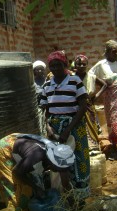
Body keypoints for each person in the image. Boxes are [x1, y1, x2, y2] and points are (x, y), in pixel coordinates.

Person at [40, 50, 90, 201]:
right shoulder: (47, 85)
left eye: (58, 65)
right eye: (52, 66)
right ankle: (65, 196)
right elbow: (44, 111)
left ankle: (79, 199)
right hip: (54, 129)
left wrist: (68, 130)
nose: (55, 68)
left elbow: (82, 107)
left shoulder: (75, 81)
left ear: (65, 65)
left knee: (78, 159)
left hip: (74, 126)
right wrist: (48, 129)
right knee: (59, 163)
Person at [0, 133, 75, 210]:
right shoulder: (35, 158)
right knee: (15, 188)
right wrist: (35, 187)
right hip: (5, 148)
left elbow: (65, 182)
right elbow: (16, 172)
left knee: (29, 182)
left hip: (20, 143)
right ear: (51, 163)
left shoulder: (58, 154)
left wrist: (72, 202)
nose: (58, 171)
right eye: (57, 169)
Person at [73, 54, 107, 151]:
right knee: (78, 125)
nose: (81, 66)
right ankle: (81, 148)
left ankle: (93, 148)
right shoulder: (71, 77)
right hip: (76, 106)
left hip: (88, 105)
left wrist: (97, 96)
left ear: (87, 65)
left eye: (84, 64)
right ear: (75, 65)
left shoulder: (92, 76)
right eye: (79, 64)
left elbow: (104, 85)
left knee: (91, 125)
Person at [33, 60, 47, 135]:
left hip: (47, 106)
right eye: (37, 69)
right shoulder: (32, 82)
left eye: (41, 69)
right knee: (39, 123)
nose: (39, 71)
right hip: (37, 107)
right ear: (34, 71)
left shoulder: (47, 81)